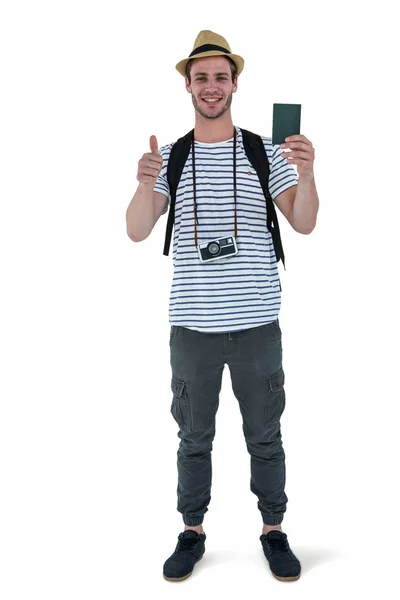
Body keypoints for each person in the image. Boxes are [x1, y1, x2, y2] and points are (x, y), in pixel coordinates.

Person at [126, 30, 319, 583]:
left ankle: (273, 530)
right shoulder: (173, 158)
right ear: (188, 85)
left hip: (258, 326)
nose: (212, 86)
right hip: (193, 329)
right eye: (202, 77)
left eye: (221, 76)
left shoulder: (265, 151)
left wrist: (307, 174)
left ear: (236, 83)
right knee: (193, 436)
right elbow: (138, 231)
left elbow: (303, 221)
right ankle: (192, 531)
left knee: (266, 434)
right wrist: (143, 185)